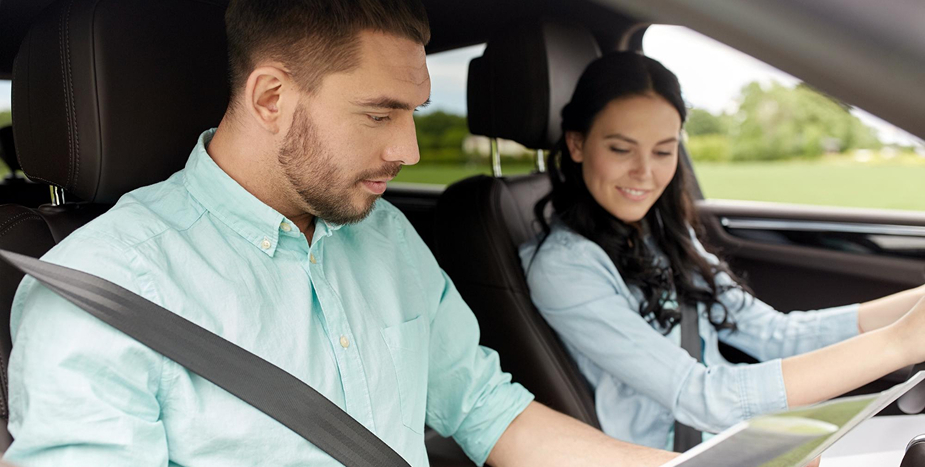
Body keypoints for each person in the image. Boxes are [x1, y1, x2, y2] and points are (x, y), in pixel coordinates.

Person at [3, 2, 679, 467]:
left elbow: (485, 410)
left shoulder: (385, 236)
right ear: (271, 98)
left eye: (413, 112)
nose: (409, 149)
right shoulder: (105, 289)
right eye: (379, 114)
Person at [520, 51, 925, 451]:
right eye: (621, 150)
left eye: (663, 151)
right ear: (577, 144)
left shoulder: (660, 231)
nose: (645, 172)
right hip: (675, 454)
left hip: (736, 439)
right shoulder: (564, 267)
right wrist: (898, 343)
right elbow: (702, 397)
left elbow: (774, 333)